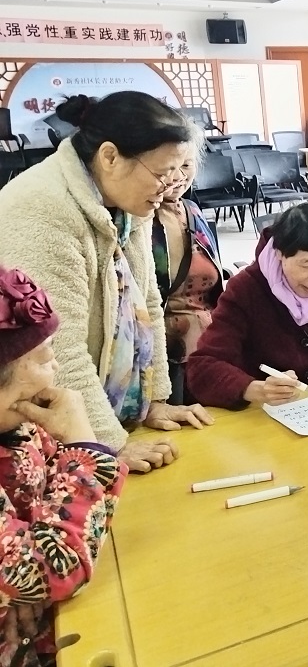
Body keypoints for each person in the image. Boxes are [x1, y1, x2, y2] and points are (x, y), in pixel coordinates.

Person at [0, 92, 214, 474]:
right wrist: (106, 445)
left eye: (178, 171)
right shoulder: (42, 209)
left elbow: (147, 302)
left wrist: (155, 401)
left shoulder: (127, 202)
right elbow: (58, 347)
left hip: (102, 412)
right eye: (162, 173)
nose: (170, 186)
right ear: (110, 157)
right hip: (41, 439)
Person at [0, 266, 126, 666]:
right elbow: (55, 568)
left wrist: (22, 584)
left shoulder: (20, 427)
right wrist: (85, 448)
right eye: (43, 356)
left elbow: (59, 494)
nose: (55, 368)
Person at [187, 202, 308, 408]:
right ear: (279, 253)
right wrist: (252, 388)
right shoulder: (246, 288)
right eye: (306, 264)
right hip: (269, 412)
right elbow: (203, 367)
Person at [151, 143, 223, 405]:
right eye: (169, 167)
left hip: (210, 338)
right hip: (166, 348)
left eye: (186, 165)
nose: (178, 176)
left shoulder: (192, 209)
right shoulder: (139, 220)